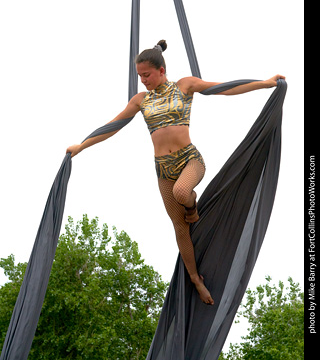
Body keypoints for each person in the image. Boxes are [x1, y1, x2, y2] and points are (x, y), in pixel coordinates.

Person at [66, 40, 285, 305]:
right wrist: (82, 146)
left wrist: (265, 83)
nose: (143, 80)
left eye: (146, 74)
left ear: (161, 70)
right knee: (179, 227)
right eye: (139, 76)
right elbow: (112, 126)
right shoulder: (141, 100)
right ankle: (195, 278)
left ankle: (192, 205)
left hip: (189, 161)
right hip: (163, 170)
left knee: (183, 192)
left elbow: (224, 88)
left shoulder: (184, 86)